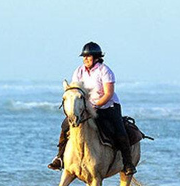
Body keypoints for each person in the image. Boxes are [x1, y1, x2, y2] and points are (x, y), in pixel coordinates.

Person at [48, 42, 136, 175]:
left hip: (107, 106)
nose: (85, 59)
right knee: (66, 125)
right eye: (84, 57)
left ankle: (128, 164)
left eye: (88, 57)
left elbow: (108, 93)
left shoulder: (105, 71)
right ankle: (60, 157)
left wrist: (95, 105)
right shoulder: (79, 71)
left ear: (96, 58)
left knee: (119, 130)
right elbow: (76, 90)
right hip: (85, 107)